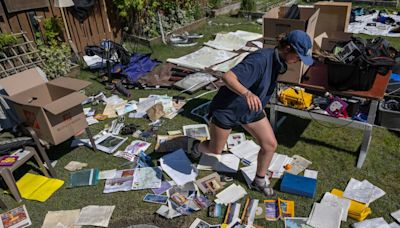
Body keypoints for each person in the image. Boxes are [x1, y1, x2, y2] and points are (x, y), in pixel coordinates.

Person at [188, 30, 314, 196]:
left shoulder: (279, 62)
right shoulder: (260, 59)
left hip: (251, 109)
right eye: (298, 56)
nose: (298, 61)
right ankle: (196, 147)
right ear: (287, 48)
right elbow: (228, 77)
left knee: (270, 145)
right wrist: (247, 93)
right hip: (227, 109)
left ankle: (259, 181)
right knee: (215, 150)